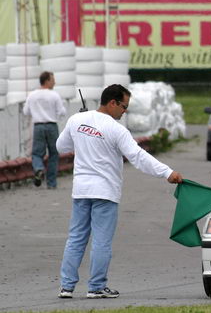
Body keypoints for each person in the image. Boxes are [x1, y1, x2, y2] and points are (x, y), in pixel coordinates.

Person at [55, 84, 183, 299]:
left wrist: (78, 129)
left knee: (75, 238)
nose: (124, 111)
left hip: (81, 191)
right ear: (112, 103)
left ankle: (66, 287)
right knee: (101, 241)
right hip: (105, 192)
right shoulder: (116, 129)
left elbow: (61, 147)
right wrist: (167, 172)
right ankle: (95, 287)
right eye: (124, 107)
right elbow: (139, 157)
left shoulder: (76, 120)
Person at [23, 71, 67, 188]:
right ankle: (51, 183)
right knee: (53, 154)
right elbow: (61, 112)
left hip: (38, 126)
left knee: (37, 153)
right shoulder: (54, 95)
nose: (54, 82)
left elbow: (26, 112)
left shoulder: (32, 95)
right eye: (53, 80)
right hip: (52, 126)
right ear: (47, 81)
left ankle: (38, 168)